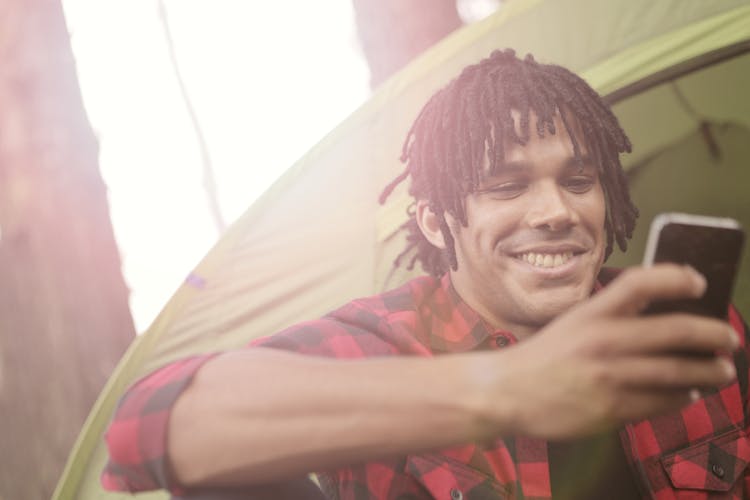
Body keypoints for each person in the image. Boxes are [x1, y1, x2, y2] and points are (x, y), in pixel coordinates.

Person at [102, 49, 749, 499]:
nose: (556, 212)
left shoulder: (687, 328)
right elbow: (148, 422)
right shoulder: (388, 339)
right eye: (506, 186)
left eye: (579, 182)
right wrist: (508, 387)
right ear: (438, 223)